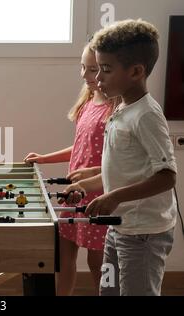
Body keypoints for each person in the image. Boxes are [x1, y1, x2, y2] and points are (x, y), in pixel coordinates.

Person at [62, 19, 177, 296]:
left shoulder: (146, 115)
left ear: (136, 71)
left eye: (106, 70)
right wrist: (85, 187)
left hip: (143, 234)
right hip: (119, 226)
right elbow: (121, 170)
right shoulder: (121, 109)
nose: (98, 79)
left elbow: (166, 176)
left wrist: (113, 197)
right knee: (109, 291)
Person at [24, 43, 120, 295]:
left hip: (98, 195)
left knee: (97, 262)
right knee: (63, 257)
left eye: (92, 69)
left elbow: (121, 163)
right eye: (83, 67)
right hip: (73, 193)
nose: (85, 75)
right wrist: (45, 158)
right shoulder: (87, 101)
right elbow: (80, 147)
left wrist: (90, 175)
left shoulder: (116, 109)